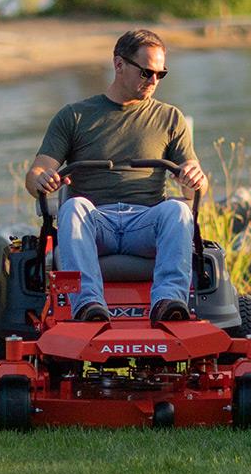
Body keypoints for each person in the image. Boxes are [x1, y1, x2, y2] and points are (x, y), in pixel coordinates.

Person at [25, 29, 208, 322]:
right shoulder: (75, 116)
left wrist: (193, 180)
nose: (153, 81)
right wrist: (42, 179)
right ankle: (88, 306)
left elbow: (195, 188)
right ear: (119, 64)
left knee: (177, 209)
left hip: (146, 222)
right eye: (146, 72)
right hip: (97, 221)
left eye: (161, 74)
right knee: (72, 207)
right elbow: (36, 173)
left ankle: (169, 303)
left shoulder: (169, 118)